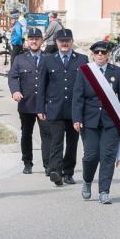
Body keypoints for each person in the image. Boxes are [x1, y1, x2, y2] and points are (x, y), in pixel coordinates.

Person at [73, 40, 120, 204]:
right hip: (89, 120)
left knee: (108, 156)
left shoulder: (116, 71)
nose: (100, 55)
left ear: (108, 55)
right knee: (91, 155)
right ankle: (87, 180)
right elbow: (77, 96)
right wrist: (77, 118)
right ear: (92, 54)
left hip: (111, 121)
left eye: (103, 52)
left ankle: (104, 191)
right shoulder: (85, 71)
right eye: (97, 52)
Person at [36, 29, 86, 186]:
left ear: (72, 41)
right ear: (56, 43)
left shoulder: (82, 60)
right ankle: (56, 171)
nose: (64, 43)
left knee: (72, 142)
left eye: (67, 41)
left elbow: (87, 86)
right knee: (56, 141)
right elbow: (41, 86)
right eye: (61, 41)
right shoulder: (47, 60)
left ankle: (68, 172)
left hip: (75, 110)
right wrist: (40, 108)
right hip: (55, 108)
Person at [8, 27, 45, 174]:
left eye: (36, 39)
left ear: (41, 41)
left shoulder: (49, 58)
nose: (34, 41)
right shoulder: (19, 59)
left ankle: (48, 164)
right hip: (26, 103)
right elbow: (13, 77)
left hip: (44, 104)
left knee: (47, 135)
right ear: (27, 41)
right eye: (31, 39)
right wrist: (15, 91)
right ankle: (27, 162)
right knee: (26, 134)